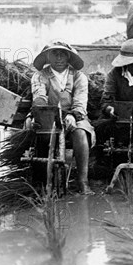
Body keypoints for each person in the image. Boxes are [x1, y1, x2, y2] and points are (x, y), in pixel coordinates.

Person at [31, 40, 95, 195]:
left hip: (75, 116)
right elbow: (39, 97)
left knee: (80, 133)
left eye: (62, 54)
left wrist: (73, 115)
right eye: (54, 54)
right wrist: (41, 110)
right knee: (41, 133)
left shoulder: (79, 77)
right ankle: (41, 181)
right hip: (48, 114)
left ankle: (83, 181)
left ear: (69, 57)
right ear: (47, 57)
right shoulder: (39, 76)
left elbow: (80, 101)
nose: (58, 58)